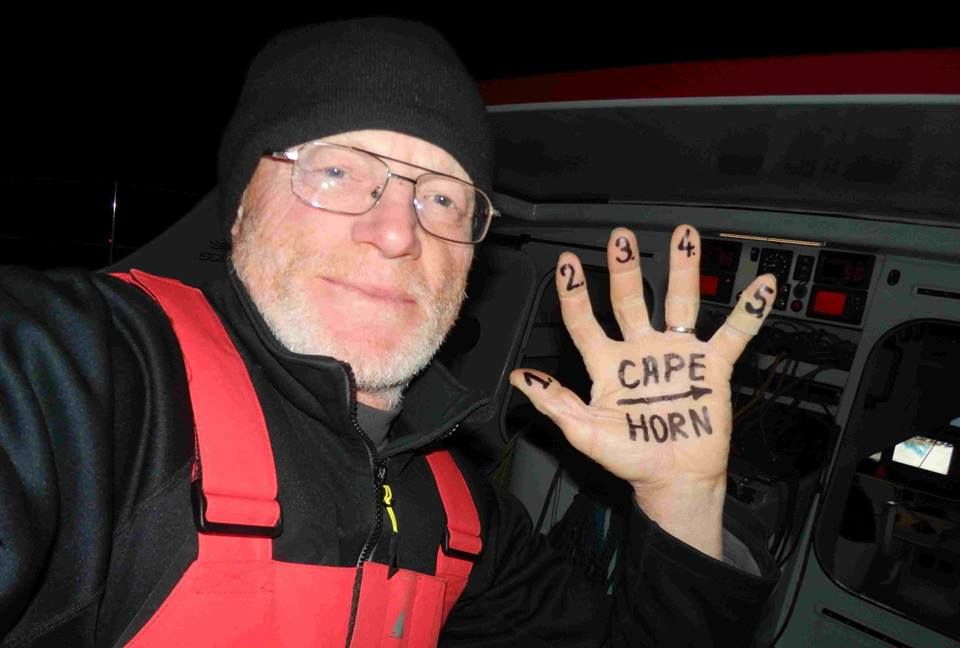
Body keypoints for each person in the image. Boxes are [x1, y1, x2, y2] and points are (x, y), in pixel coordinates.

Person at [0, 18, 780, 647]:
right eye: (337, 170)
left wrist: (685, 497)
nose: (398, 232)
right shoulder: (84, 379)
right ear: (239, 209)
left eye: (442, 198)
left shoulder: (465, 517)